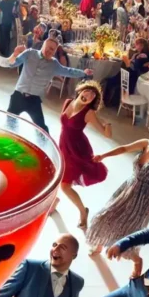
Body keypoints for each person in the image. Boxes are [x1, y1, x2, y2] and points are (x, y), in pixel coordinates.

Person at [86, 120, 149, 256]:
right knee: (109, 213)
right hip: (129, 187)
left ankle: (133, 259)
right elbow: (124, 148)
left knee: (129, 226)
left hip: (144, 197)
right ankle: (99, 243)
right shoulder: (145, 143)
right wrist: (103, 156)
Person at [53, 81, 113, 229]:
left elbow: (107, 135)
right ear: (80, 90)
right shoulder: (68, 102)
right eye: (87, 91)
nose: (89, 95)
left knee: (65, 185)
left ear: (93, 101)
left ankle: (82, 212)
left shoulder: (89, 113)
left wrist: (108, 125)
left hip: (77, 150)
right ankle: (55, 203)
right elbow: (65, 126)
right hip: (63, 146)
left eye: (93, 95)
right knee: (57, 176)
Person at [6, 37, 92, 133]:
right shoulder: (29, 53)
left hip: (34, 100)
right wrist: (14, 55)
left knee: (42, 129)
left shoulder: (54, 64)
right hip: (18, 96)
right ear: (43, 45)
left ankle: (45, 145)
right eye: (48, 47)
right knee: (9, 122)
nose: (50, 51)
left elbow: (68, 71)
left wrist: (83, 73)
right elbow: (12, 64)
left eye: (53, 49)